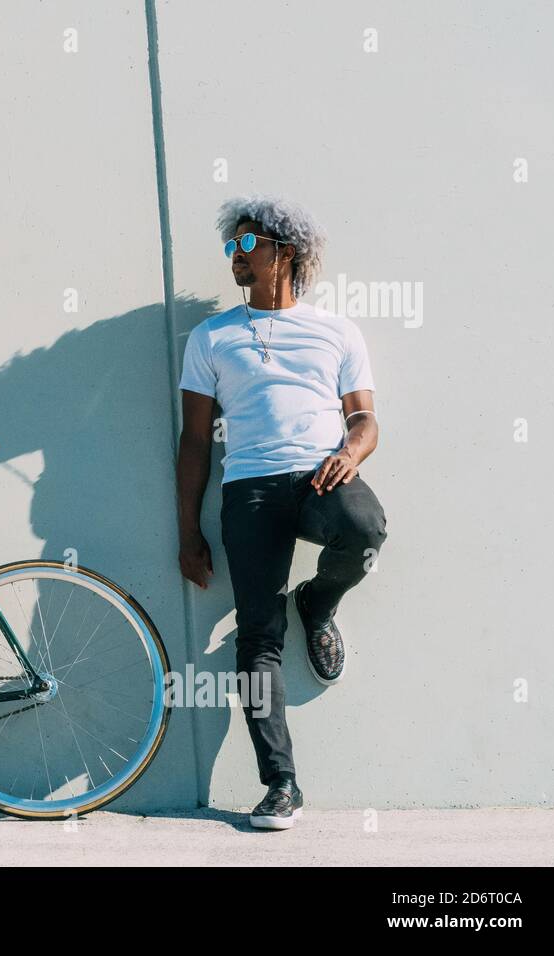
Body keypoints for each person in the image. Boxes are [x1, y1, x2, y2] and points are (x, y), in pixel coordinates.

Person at [175, 195, 388, 830]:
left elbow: (366, 417)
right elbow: (193, 441)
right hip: (251, 489)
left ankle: (318, 604)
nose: (233, 259)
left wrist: (351, 450)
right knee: (258, 634)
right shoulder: (210, 338)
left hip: (323, 476)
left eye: (245, 246)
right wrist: (188, 530)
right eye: (229, 248)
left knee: (367, 531)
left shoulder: (337, 331)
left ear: (283, 253)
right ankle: (281, 785)